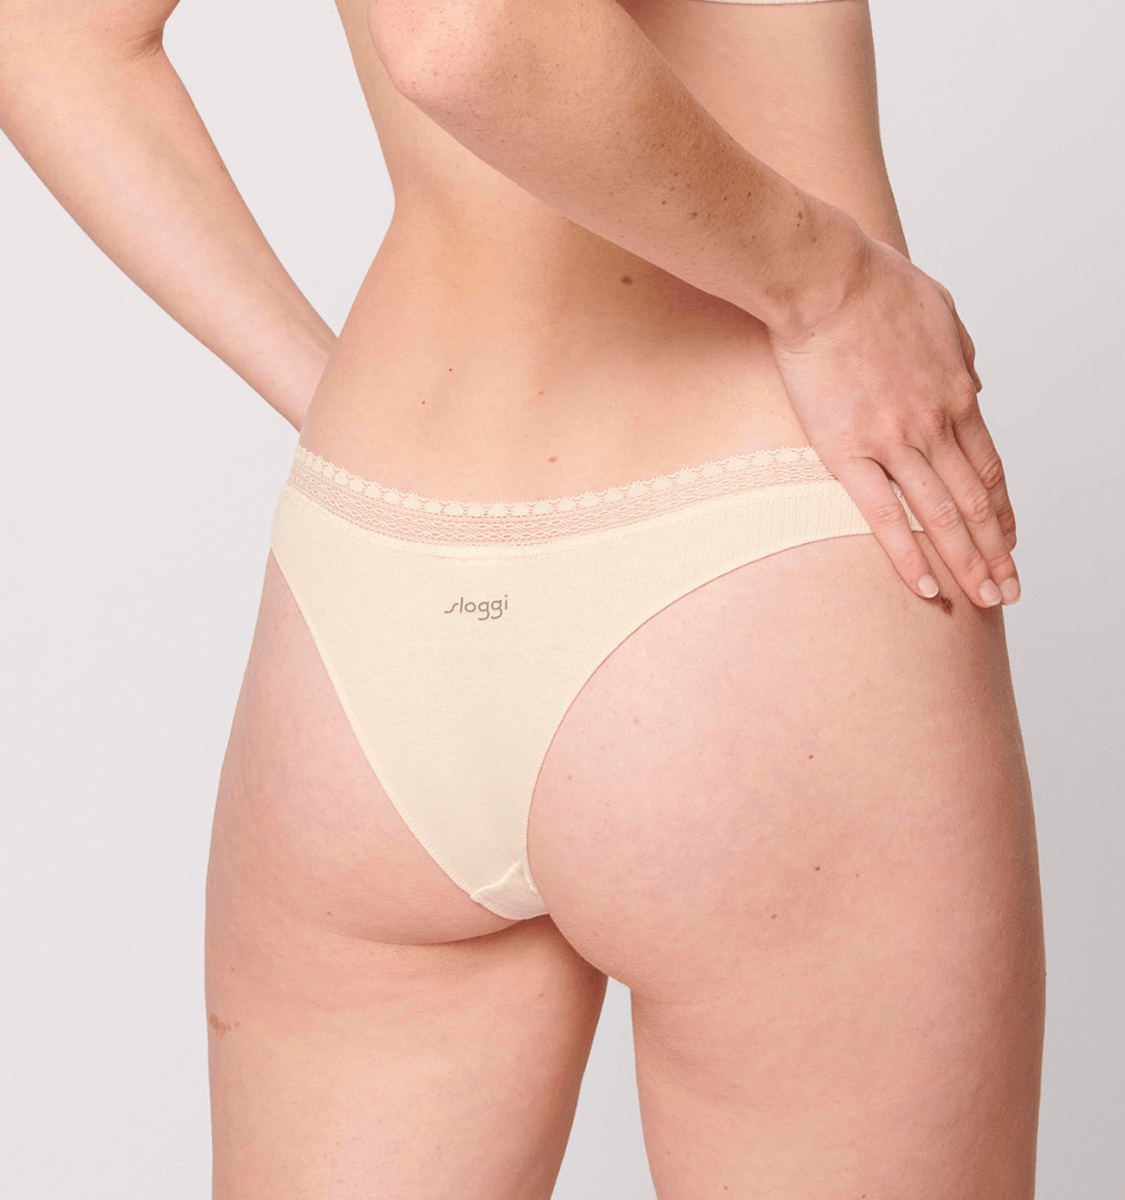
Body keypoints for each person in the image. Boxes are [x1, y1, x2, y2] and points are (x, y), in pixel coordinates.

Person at [0, 0, 1046, 1194]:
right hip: (749, 558)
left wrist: (333, 404)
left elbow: (46, 34)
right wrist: (830, 290)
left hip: (376, 568)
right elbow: (465, 33)